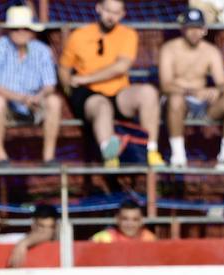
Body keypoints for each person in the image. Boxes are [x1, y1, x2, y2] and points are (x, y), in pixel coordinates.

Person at [59, 0, 164, 167]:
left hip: (117, 92)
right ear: (99, 8)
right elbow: (64, 68)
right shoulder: (79, 36)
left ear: (123, 15)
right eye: (108, 11)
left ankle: (150, 150)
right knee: (102, 106)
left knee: (148, 93)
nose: (111, 16)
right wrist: (70, 90)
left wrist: (86, 78)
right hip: (89, 95)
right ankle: (110, 156)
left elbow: (121, 67)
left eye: (116, 13)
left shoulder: (128, 34)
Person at [159, 7, 224, 170]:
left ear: (204, 30)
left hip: (203, 104)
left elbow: (223, 84)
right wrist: (191, 92)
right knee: (175, 99)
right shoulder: (169, 49)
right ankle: (178, 156)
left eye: (198, 28)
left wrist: (216, 90)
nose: (194, 32)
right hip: (178, 102)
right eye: (190, 27)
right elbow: (165, 84)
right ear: (183, 29)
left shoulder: (211, 51)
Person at [0, 5, 62, 165]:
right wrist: (22, 98)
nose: (20, 32)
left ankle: (49, 157)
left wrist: (35, 98)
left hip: (33, 103)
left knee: (54, 101)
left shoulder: (42, 50)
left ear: (31, 30)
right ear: (8, 30)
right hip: (6, 106)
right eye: (15, 28)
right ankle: (0, 155)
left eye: (24, 28)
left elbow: (49, 85)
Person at [91, 199, 156, 242]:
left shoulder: (149, 239)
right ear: (117, 219)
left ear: (142, 221)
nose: (130, 224)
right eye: (125, 219)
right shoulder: (103, 239)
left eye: (135, 219)